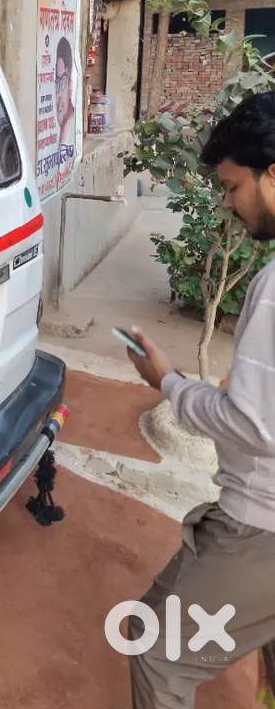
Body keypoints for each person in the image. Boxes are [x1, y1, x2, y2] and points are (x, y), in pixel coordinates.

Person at [125, 91, 275, 708]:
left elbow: (253, 426)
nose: (229, 204)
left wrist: (169, 382)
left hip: (260, 525)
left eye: (233, 186)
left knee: (157, 653)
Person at [55, 36, 75, 179]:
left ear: (70, 83)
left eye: (63, 80)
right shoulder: (59, 133)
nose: (58, 96)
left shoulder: (73, 130)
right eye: (56, 82)